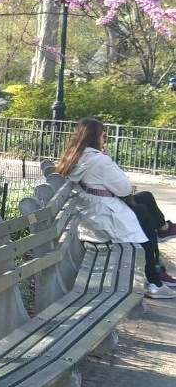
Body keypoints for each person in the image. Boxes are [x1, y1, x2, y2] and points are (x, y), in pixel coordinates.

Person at [56, 117, 176, 299]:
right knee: (143, 214)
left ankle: (161, 241)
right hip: (102, 215)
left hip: (92, 210)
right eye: (103, 135)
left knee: (145, 199)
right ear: (95, 137)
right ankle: (154, 277)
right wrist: (108, 159)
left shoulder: (74, 155)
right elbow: (125, 188)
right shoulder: (99, 160)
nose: (105, 139)